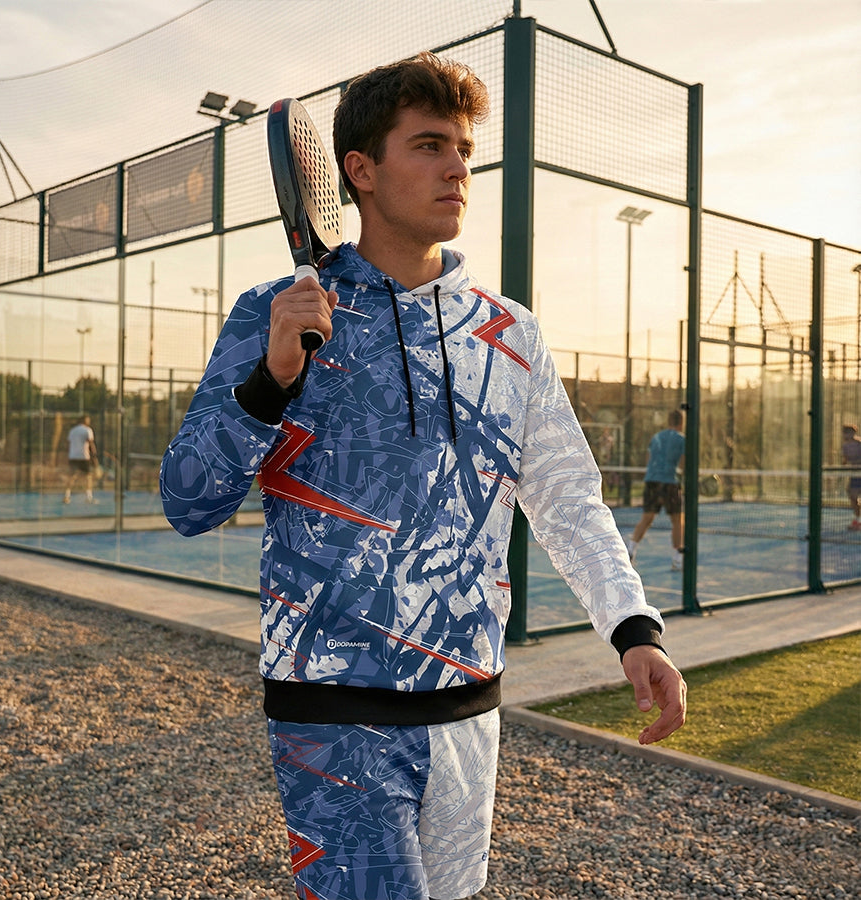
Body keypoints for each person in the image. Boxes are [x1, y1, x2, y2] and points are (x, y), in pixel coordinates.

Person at [160, 53, 686, 900]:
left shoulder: (511, 333)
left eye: (466, 150)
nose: (458, 169)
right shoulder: (276, 314)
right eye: (431, 145)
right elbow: (187, 501)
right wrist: (270, 381)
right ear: (360, 171)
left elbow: (567, 499)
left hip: (471, 709)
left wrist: (634, 630)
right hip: (331, 716)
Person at [626, 409, 686, 570]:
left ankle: (630, 550)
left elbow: (649, 459)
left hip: (652, 481)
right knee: (677, 521)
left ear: (668, 421)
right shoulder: (682, 439)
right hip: (670, 483)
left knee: (646, 518)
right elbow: (683, 464)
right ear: (681, 422)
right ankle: (678, 558)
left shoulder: (656, 437)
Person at [64, 414, 98, 504]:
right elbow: (91, 443)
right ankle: (89, 497)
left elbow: (68, 444)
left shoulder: (72, 431)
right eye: (88, 420)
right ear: (84, 421)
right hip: (84, 457)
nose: (89, 421)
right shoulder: (88, 430)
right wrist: (94, 456)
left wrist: (68, 454)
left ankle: (67, 496)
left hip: (73, 456)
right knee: (88, 477)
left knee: (72, 476)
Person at [842, 423, 861, 531]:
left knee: (853, 494)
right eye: (845, 432)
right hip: (854, 475)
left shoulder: (859, 443)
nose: (846, 434)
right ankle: (857, 520)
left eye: (849, 432)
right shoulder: (845, 446)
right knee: (852, 495)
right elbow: (845, 461)